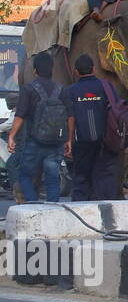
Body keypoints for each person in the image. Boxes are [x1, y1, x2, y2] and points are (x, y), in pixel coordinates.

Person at [7, 52, 67, 204]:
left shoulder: (28, 89)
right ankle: (52, 209)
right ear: (52, 69)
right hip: (55, 142)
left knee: (25, 176)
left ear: (34, 70)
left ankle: (32, 205)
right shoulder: (60, 90)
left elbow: (20, 114)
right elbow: (70, 116)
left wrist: (11, 136)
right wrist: (69, 139)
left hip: (34, 141)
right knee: (52, 179)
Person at [61, 55, 116, 201]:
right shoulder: (106, 86)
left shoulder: (70, 91)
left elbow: (69, 117)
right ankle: (107, 211)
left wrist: (69, 141)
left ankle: (80, 212)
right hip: (105, 140)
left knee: (81, 179)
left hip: (81, 142)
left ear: (76, 72)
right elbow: (117, 109)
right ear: (93, 69)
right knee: (104, 177)